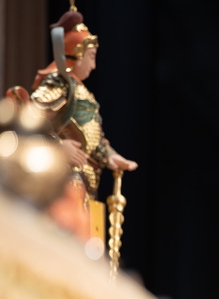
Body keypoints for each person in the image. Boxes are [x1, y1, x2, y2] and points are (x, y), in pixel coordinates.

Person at [29, 2, 138, 202]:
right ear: (78, 54)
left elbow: (93, 135)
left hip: (86, 175)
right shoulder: (59, 83)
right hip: (66, 174)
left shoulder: (80, 90)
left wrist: (109, 156)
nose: (93, 65)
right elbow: (31, 118)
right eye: (91, 57)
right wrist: (59, 146)